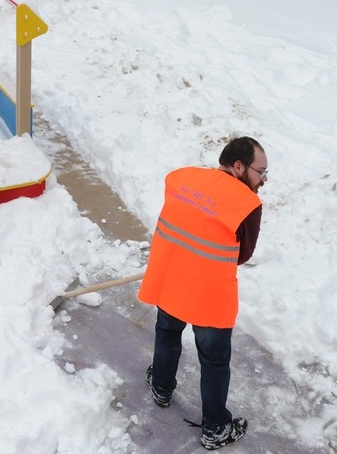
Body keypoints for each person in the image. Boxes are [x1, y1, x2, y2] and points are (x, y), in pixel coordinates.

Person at [137, 136, 268, 451]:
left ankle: (161, 388)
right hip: (209, 295)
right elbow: (243, 254)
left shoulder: (182, 178)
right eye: (260, 172)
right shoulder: (246, 204)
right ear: (239, 166)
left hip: (171, 280)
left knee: (167, 333)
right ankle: (215, 429)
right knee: (213, 360)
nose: (263, 180)